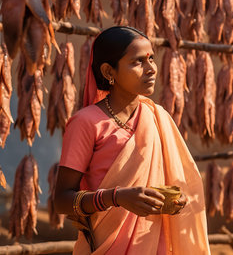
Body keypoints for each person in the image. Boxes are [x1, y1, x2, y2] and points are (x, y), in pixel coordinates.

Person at [54, 26, 210, 254]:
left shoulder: (157, 117)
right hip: (106, 246)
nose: (151, 69)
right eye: (138, 62)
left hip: (156, 245)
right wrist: (116, 197)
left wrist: (174, 201)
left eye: (152, 59)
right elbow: (61, 200)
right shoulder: (86, 122)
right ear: (109, 72)